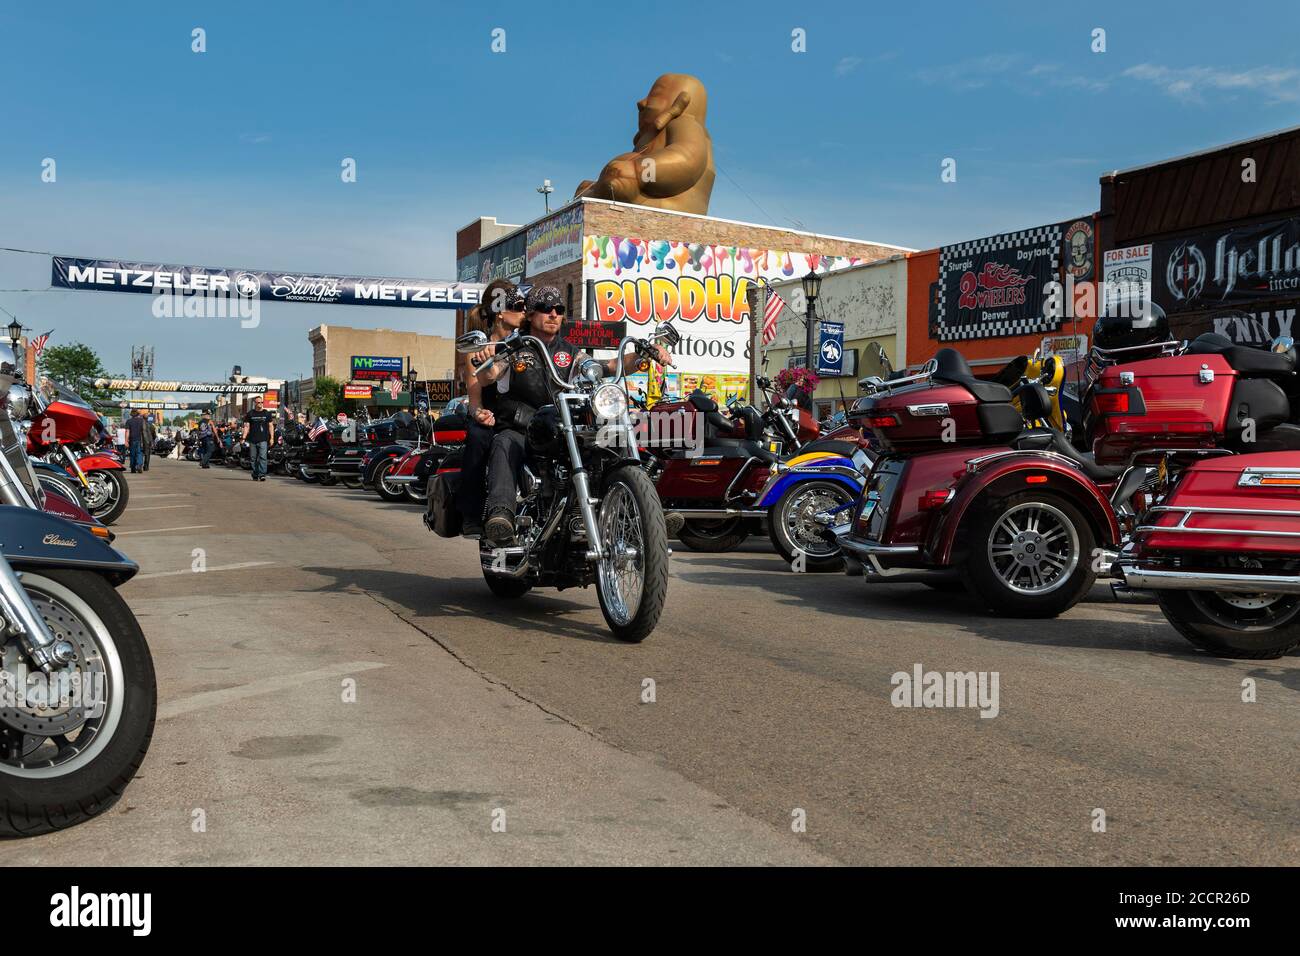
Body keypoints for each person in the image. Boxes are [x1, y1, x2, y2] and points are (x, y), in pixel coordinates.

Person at [476, 285, 673, 544]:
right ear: (532, 313)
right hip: (523, 428)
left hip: (560, 428)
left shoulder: (569, 351)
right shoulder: (514, 348)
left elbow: (608, 366)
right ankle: (501, 514)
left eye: (558, 309)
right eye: (546, 309)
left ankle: (645, 511)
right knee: (504, 442)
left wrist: (642, 355)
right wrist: (485, 360)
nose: (553, 314)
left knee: (610, 441)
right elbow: (488, 375)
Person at [455, 278, 526, 538]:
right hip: (492, 416)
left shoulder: (525, 343)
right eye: (518, 306)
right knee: (479, 437)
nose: (524, 311)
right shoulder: (479, 348)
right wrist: (480, 413)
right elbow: (475, 400)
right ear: (499, 312)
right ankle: (471, 514)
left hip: (520, 416)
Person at [241, 396, 275, 480]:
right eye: (258, 402)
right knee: (253, 458)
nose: (260, 404)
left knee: (263, 457)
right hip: (252, 439)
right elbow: (246, 426)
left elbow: (271, 426)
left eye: (261, 402)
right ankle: (255, 473)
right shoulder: (250, 414)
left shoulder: (266, 413)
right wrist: (243, 438)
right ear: (255, 403)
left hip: (263, 439)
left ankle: (262, 474)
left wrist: (272, 438)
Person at [125, 409, 146, 474]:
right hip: (139, 439)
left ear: (131, 414)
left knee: (132, 454)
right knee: (139, 453)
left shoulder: (129, 421)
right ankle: (139, 465)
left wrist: (126, 441)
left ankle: (133, 468)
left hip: (132, 440)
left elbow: (127, 432)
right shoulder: (141, 421)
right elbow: (144, 431)